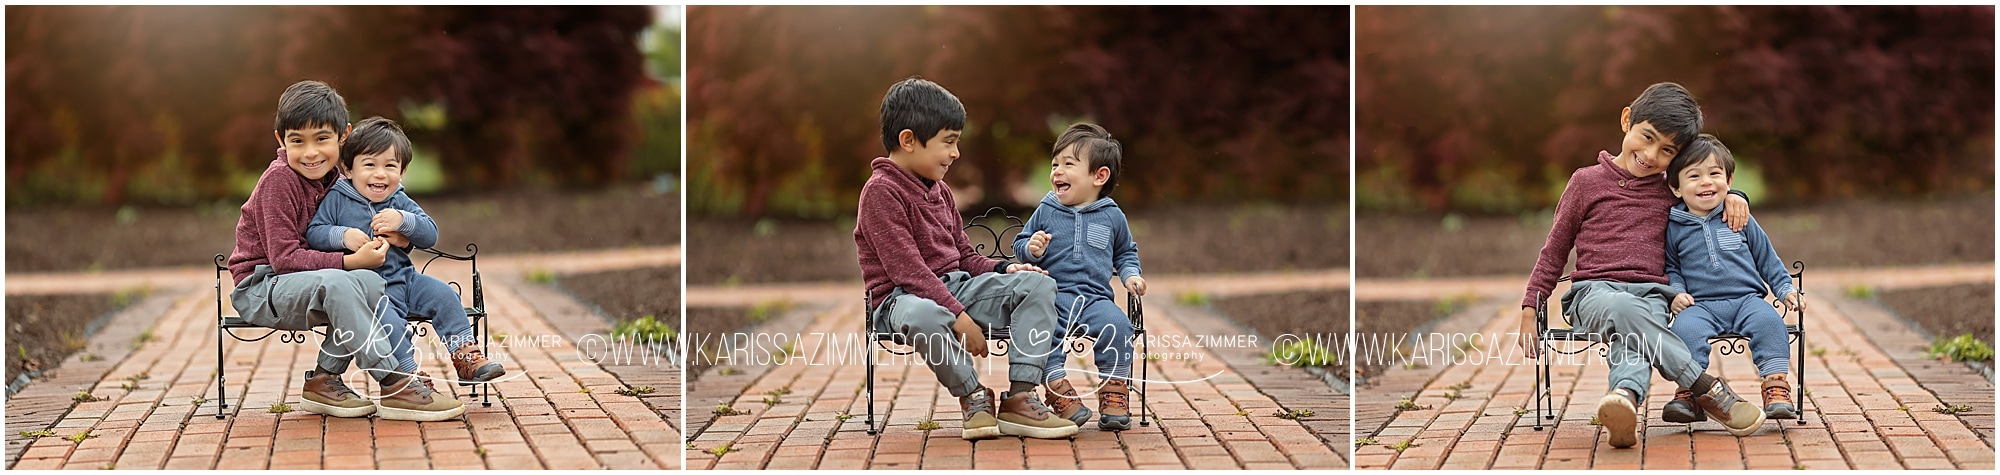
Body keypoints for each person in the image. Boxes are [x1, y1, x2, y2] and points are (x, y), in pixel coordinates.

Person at [1517, 82, 1763, 448]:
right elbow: (1554, 251)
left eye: (1667, 151)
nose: (1650, 155)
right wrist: (1528, 306)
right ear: (1626, 120)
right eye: (1646, 137)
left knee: (1634, 333)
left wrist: (1736, 196)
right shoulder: (1585, 183)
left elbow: (1706, 186)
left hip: (1652, 295)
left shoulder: (1671, 189)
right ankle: (1703, 386)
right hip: (1593, 294)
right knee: (1623, 308)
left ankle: (1625, 403)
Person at [855, 77, 1077, 440]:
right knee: (924, 314)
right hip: (901, 299)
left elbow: (964, 256)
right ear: (909, 140)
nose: (956, 153)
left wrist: (1006, 268)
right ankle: (973, 395)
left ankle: (1020, 398)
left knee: (1039, 283)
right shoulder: (881, 193)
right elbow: (907, 271)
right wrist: (960, 318)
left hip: (956, 289)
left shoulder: (939, 190)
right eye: (949, 142)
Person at [227, 80, 462, 421]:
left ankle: (323, 379)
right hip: (264, 287)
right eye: (297, 141)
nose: (311, 153)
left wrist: (401, 238)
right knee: (344, 281)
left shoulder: (339, 176)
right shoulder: (279, 181)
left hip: (310, 281)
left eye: (322, 139)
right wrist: (350, 259)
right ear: (281, 140)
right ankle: (396, 380)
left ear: (343, 136)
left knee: (368, 281)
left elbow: (378, 209)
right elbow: (285, 260)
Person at [305, 117, 506, 392]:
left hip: (406, 280)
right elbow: (315, 232)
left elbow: (430, 233)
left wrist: (402, 220)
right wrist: (344, 235)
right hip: (369, 290)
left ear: (402, 171)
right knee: (389, 323)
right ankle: (408, 375)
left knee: (445, 295)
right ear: (348, 168)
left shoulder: (399, 201)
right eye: (369, 165)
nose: (380, 174)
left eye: (390, 166)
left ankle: (465, 357)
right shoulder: (337, 199)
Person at [1012, 123, 1145, 431]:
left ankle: (1114, 392)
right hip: (1052, 298)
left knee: (1118, 325)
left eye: (1068, 164)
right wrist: (1031, 248)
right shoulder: (1046, 209)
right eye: (1055, 164)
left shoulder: (1112, 216)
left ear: (1099, 176)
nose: (1057, 171)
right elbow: (1021, 244)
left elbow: (1125, 253)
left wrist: (1131, 276)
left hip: (1095, 299)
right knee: (1042, 334)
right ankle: (1059, 390)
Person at [1661, 134, 1803, 423]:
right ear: (1675, 187)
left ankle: (1776, 387)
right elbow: (1672, 267)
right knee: (1685, 330)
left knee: (1769, 322)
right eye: (1694, 176)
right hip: (1700, 305)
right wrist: (1676, 293)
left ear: (1729, 180)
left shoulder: (1739, 217)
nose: (1706, 182)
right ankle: (1691, 394)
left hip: (1746, 300)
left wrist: (1785, 289)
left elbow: (1767, 259)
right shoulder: (1673, 227)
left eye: (1715, 174)